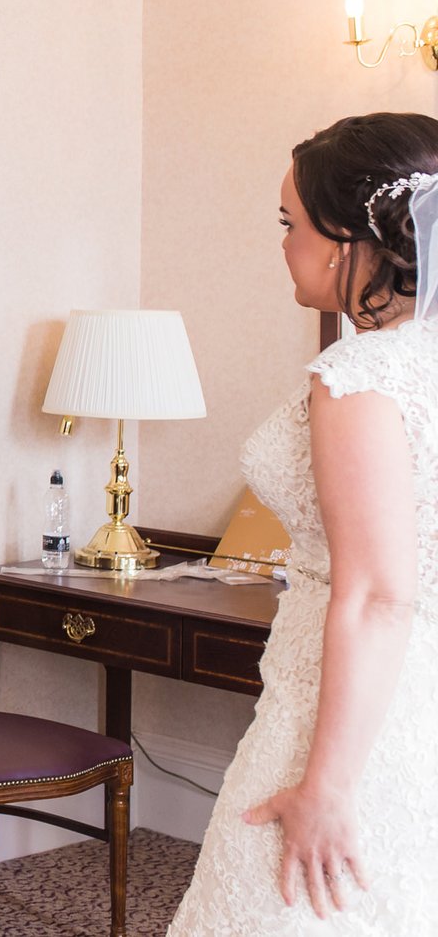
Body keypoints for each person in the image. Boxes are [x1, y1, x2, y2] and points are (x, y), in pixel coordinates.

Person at [169, 113, 438, 933]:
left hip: (338, 711)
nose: (282, 244)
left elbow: (379, 594)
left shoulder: (361, 372)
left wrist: (325, 785)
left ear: (348, 238)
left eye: (290, 223)